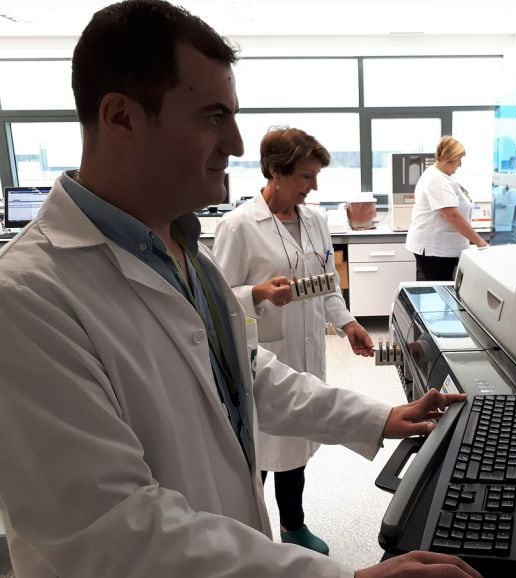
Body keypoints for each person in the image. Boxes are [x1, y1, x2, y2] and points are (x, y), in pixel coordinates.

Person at [0, 2, 482, 577]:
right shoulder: (27, 297)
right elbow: (108, 530)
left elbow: (245, 373)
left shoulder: (183, 250)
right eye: (212, 116)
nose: (234, 142)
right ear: (121, 117)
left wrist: (379, 416)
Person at [212, 126, 374, 555]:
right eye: (305, 176)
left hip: (306, 351)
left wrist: (347, 324)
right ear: (273, 172)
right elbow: (219, 300)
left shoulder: (316, 220)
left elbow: (326, 284)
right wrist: (261, 293)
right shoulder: (239, 225)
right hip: (266, 354)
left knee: (298, 444)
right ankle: (249, 535)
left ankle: (294, 526)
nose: (313, 186)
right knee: (261, 452)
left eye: (316, 175)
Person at [405, 136, 488, 281]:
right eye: (459, 160)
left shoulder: (444, 176)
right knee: (442, 293)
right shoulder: (437, 179)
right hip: (436, 250)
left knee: (446, 292)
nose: (460, 165)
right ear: (449, 159)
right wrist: (480, 242)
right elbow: (452, 216)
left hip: (444, 248)